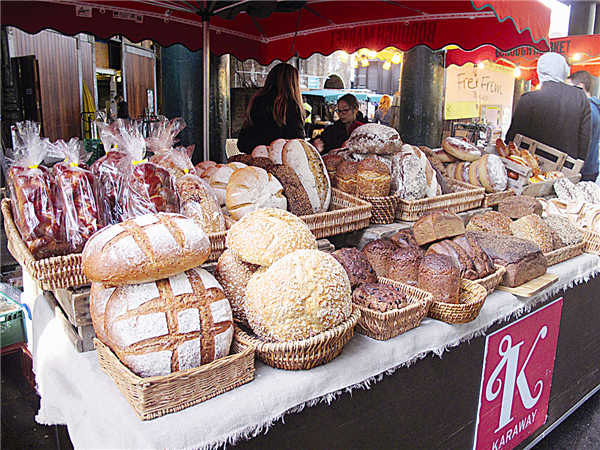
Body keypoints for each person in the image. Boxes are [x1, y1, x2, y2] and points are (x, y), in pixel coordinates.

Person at [506, 53, 591, 166]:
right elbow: (585, 139)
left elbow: (512, 138)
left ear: (540, 71)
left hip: (531, 168)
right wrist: (577, 165)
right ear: (564, 71)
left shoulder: (529, 99)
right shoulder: (580, 97)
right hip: (565, 168)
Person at [237, 63, 305, 153]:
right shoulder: (291, 106)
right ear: (293, 83)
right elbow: (298, 143)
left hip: (255, 158)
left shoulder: (256, 101)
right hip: (280, 162)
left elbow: (243, 142)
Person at [568, 70, 600, 182]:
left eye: (571, 88)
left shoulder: (589, 110)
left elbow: (583, 142)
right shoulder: (595, 107)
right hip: (591, 167)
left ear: (580, 87)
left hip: (584, 170)